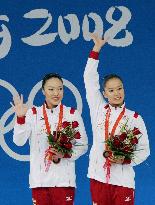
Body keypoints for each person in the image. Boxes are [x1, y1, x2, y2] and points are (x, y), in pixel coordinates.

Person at [84, 34, 150, 205]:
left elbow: (144, 150)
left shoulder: (135, 118)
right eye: (111, 90)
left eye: (119, 88)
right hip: (98, 177)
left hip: (123, 180)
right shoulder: (98, 108)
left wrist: (126, 160)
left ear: (124, 89)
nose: (117, 93)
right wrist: (96, 50)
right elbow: (89, 80)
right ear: (104, 94)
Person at [12, 73, 88, 205]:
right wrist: (20, 118)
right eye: (51, 89)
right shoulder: (32, 114)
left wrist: (64, 154)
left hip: (64, 181)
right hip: (39, 181)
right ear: (43, 91)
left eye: (60, 88)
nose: (56, 93)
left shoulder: (72, 114)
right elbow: (19, 142)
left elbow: (82, 145)